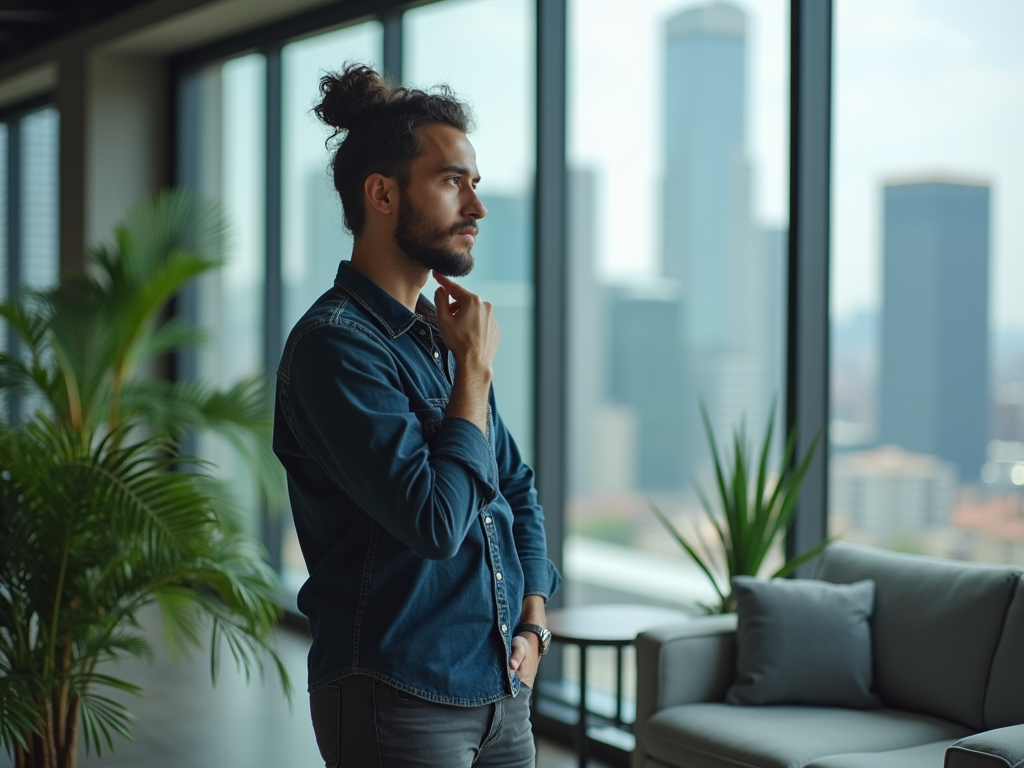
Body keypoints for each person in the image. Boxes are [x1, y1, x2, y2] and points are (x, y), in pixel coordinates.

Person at [272, 63, 561, 768]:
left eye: (475, 183)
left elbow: (514, 487)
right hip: (397, 693)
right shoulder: (334, 346)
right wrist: (475, 374)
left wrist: (534, 619)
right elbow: (434, 523)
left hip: (499, 687)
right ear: (382, 193)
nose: (477, 207)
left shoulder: (442, 337)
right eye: (452, 180)